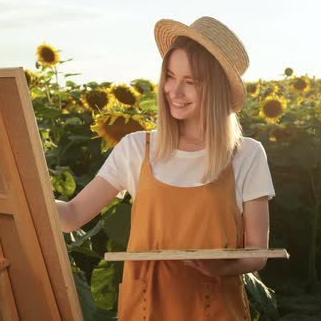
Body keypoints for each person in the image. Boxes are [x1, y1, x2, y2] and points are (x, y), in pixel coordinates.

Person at [55, 16, 275, 320]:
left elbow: (257, 253)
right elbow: (72, 216)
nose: (174, 91)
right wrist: (26, 194)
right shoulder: (136, 148)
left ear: (217, 89)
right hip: (145, 308)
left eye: (190, 82)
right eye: (170, 76)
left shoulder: (247, 154)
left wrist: (223, 266)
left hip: (216, 308)